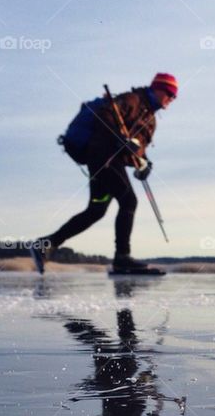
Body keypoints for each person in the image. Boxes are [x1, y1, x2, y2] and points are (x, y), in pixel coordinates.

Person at [29, 73, 178, 274]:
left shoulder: (150, 118)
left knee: (96, 210)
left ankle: (46, 243)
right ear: (158, 88)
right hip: (103, 158)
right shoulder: (132, 100)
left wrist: (143, 162)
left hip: (107, 162)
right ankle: (122, 258)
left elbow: (138, 147)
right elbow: (105, 116)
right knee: (128, 200)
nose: (172, 99)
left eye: (174, 96)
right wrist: (121, 139)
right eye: (170, 93)